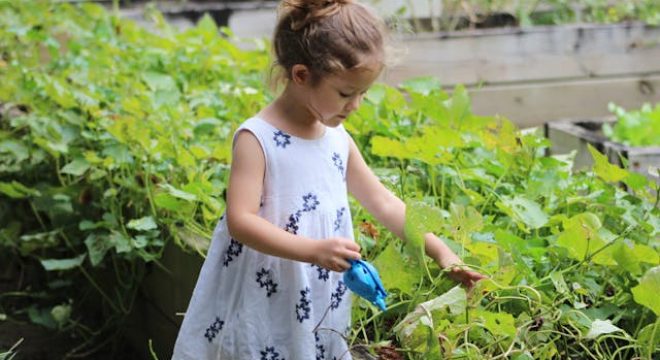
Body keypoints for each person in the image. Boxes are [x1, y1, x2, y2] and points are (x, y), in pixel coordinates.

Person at [172, 0, 485, 358]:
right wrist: (313, 251)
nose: (355, 105)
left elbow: (383, 202)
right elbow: (240, 221)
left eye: (363, 93)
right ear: (302, 75)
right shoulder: (257, 139)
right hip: (267, 288)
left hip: (317, 291)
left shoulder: (337, 140)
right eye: (345, 93)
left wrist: (442, 252)